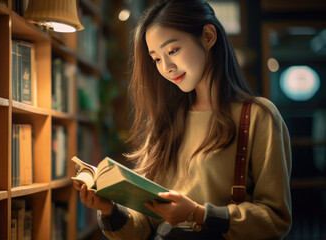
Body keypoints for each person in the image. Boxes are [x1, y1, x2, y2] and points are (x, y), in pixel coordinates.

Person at [73, 0, 292, 239]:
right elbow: (144, 225)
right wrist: (110, 210)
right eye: (156, 58)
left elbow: (275, 220)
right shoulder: (166, 120)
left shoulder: (258, 116)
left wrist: (198, 214)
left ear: (208, 36)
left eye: (173, 51)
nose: (166, 67)